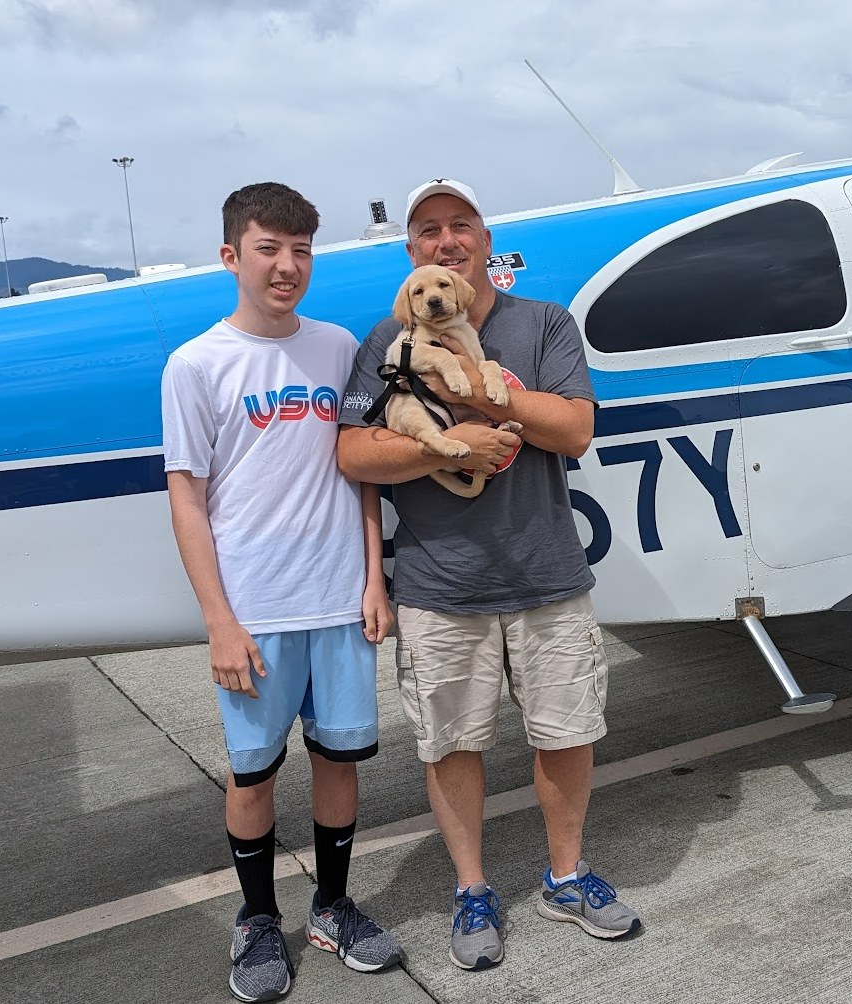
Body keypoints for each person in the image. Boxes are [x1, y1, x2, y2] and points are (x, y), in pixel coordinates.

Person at [337, 178, 640, 971]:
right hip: (440, 586)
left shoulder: (542, 323)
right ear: (411, 259)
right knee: (449, 744)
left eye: (459, 226)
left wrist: (486, 399)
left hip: (547, 573)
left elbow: (574, 429)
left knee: (567, 733)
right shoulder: (383, 341)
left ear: (482, 240)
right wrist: (451, 444)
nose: (446, 243)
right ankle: (471, 890)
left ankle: (566, 876)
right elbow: (353, 452)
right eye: (428, 233)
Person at [161, 182, 402, 1003]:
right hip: (255, 616)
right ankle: (258, 919)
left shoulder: (338, 347)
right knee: (253, 777)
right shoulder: (195, 364)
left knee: (340, 764)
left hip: (340, 602)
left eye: (301, 249)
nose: (287, 265)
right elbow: (186, 500)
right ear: (232, 256)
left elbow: (364, 468)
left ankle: (331, 908)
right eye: (269, 248)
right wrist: (219, 623)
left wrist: (375, 575)